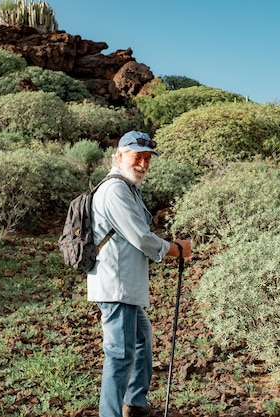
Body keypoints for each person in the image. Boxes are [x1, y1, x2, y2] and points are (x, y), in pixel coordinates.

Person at [87, 130, 192, 417]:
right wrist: (176, 249)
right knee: (120, 355)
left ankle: (135, 403)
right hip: (116, 286)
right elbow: (141, 237)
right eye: (137, 156)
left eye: (147, 158)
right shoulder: (115, 190)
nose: (143, 164)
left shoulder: (127, 187)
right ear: (120, 155)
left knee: (142, 339)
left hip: (125, 285)